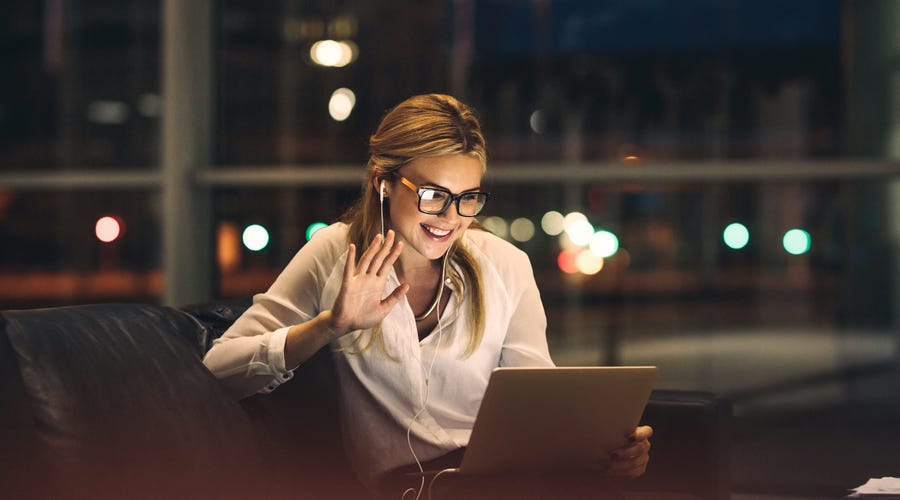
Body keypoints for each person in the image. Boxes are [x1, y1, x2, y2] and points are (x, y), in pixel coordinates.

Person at [202, 93, 652, 498]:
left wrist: (605, 453)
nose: (452, 218)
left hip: (508, 480)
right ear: (384, 183)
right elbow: (220, 371)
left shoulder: (505, 265)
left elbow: (539, 402)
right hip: (413, 487)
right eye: (435, 195)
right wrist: (329, 325)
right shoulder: (335, 253)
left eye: (468, 197)